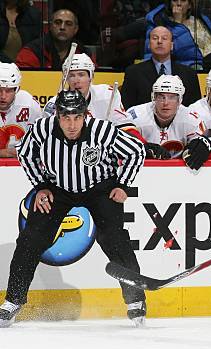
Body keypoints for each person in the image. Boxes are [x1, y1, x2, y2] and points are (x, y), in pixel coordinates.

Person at [0, 90, 146, 328]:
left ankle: (135, 300)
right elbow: (25, 153)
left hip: (99, 188)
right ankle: (13, 300)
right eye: (66, 117)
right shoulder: (42, 129)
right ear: (57, 115)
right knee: (30, 240)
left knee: (114, 239)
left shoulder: (101, 130)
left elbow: (136, 151)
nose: (71, 123)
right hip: (58, 190)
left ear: (85, 115)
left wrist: (123, 185)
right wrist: (41, 186)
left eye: (77, 117)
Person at [126, 74, 211, 168]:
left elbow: (207, 146)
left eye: (172, 97)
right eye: (161, 97)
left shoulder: (191, 119)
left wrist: (205, 145)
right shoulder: (135, 115)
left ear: (179, 100)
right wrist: (142, 146)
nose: (165, 103)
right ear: (154, 97)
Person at [43, 54, 134, 130]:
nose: (76, 80)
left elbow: (125, 127)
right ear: (66, 79)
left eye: (81, 75)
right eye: (71, 75)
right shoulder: (53, 105)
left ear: (91, 77)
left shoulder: (108, 95)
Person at [121, 26, 202, 109]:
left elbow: (195, 109)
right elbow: (127, 108)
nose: (159, 41)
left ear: (171, 45)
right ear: (149, 44)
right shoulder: (133, 73)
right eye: (155, 38)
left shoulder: (189, 74)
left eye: (164, 38)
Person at [142, 0, 211, 68]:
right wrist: (177, 23)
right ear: (170, 3)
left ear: (190, 5)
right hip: (181, 70)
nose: (179, 3)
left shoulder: (202, 20)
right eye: (175, 0)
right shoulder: (159, 22)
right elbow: (172, 51)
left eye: (183, 0)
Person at [15, 9, 88, 70]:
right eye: (58, 22)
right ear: (50, 26)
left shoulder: (83, 53)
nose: (62, 27)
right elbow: (24, 78)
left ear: (75, 29)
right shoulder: (32, 51)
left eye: (68, 24)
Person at [0, 62, 42, 157]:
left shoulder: (29, 105)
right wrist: (6, 153)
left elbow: (41, 143)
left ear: (17, 89)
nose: (3, 96)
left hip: (22, 165)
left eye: (9, 90)